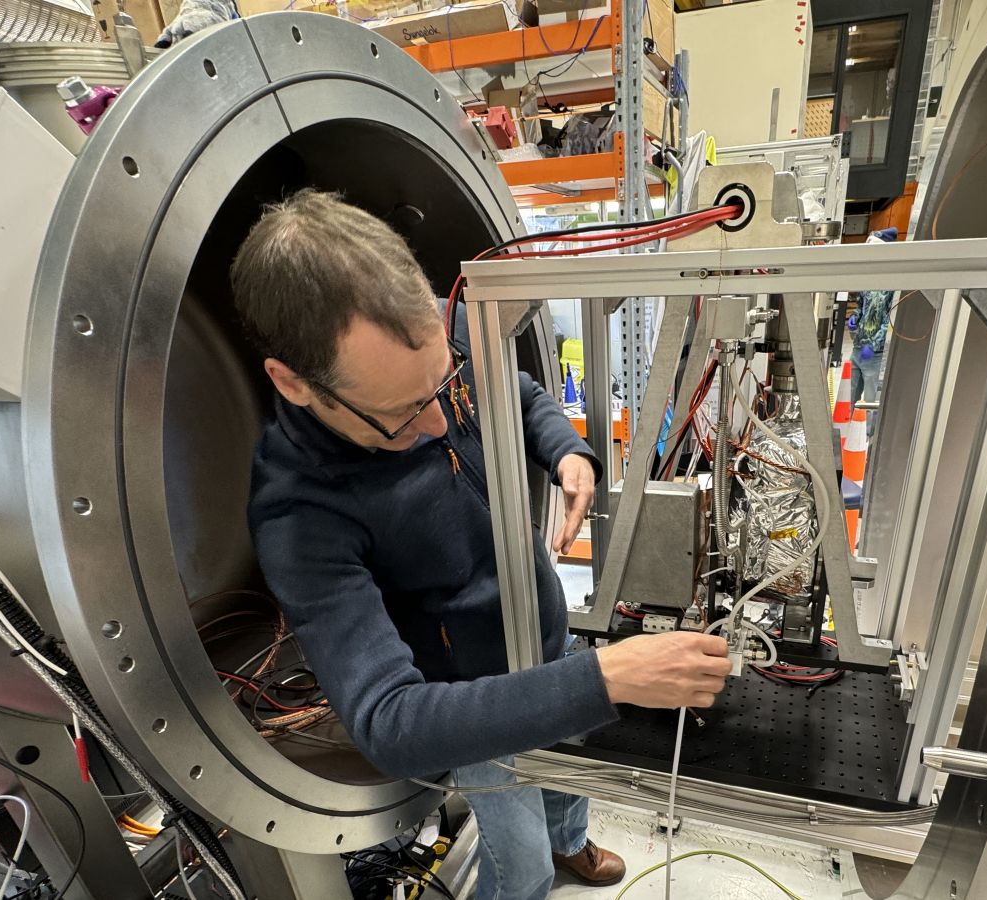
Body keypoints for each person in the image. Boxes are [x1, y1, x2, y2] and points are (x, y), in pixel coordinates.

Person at [230, 190, 733, 899]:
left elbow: (520, 392)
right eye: (403, 414)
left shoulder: (440, 328)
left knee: (569, 780)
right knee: (518, 869)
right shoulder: (299, 510)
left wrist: (566, 451)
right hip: (474, 698)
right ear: (294, 383)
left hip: (545, 634)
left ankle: (572, 846)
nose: (440, 423)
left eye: (446, 384)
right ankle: (538, 871)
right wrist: (608, 678)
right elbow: (390, 721)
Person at [846, 289, 890, 406]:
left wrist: (873, 344)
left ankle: (869, 425)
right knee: (848, 396)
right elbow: (860, 305)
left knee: (870, 402)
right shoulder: (869, 282)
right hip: (858, 348)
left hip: (876, 355)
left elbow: (890, 322)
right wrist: (855, 316)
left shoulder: (893, 289)